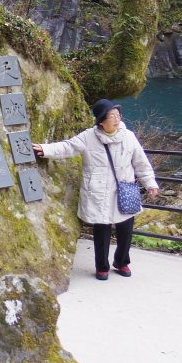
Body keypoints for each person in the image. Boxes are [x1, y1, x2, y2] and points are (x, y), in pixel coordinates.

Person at [32, 98, 159, 280]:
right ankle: (102, 267)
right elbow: (68, 147)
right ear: (101, 121)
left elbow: (141, 163)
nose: (117, 119)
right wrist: (45, 149)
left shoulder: (128, 137)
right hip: (98, 193)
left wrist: (151, 184)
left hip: (124, 192)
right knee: (101, 232)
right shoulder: (88, 137)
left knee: (126, 231)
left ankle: (122, 262)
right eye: (111, 116)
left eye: (118, 115)